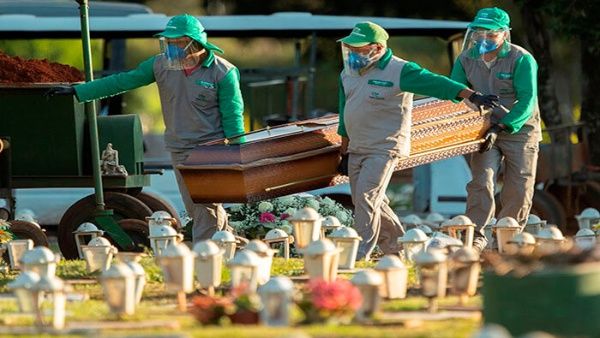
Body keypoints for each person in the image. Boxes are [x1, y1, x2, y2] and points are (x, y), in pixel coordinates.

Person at [48, 14, 245, 243]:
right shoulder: (160, 64)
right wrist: (78, 92)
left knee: (204, 205)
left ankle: (207, 255)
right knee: (196, 206)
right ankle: (230, 243)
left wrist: (238, 153)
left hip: (211, 149)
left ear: (195, 43)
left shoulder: (223, 72)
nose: (171, 48)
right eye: (168, 43)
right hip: (178, 147)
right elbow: (122, 81)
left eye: (177, 43)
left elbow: (233, 116)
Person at [337, 21, 498, 261]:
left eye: (359, 50)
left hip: (384, 147)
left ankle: (359, 252)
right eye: (350, 49)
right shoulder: (347, 73)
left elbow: (436, 82)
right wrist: (344, 151)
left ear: (377, 48)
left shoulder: (400, 70)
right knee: (371, 201)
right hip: (357, 147)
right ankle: (399, 248)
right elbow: (344, 114)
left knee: (366, 197)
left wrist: (472, 95)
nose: (353, 55)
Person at [450, 7, 542, 252]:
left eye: (491, 34)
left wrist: (504, 125)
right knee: (481, 181)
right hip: (483, 127)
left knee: (519, 185)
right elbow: (455, 91)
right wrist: (472, 105)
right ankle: (475, 237)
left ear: (504, 35)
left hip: (520, 129)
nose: (484, 39)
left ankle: (507, 236)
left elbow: (527, 100)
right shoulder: (466, 58)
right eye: (480, 32)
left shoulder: (521, 58)